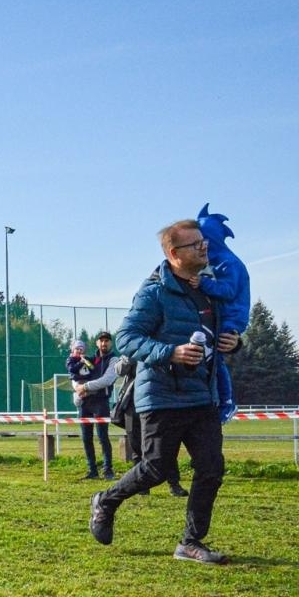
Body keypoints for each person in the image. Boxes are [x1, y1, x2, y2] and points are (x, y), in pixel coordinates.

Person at [87, 218, 240, 564]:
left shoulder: (210, 290)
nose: (205, 247)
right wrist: (170, 352)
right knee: (155, 469)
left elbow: (213, 337)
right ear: (174, 254)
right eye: (195, 244)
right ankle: (105, 501)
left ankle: (190, 542)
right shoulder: (154, 291)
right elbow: (126, 338)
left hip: (202, 395)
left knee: (212, 469)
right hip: (161, 396)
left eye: (204, 241)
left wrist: (233, 342)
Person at [196, 204, 250, 423]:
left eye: (200, 240)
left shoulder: (229, 263)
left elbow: (227, 291)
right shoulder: (215, 262)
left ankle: (227, 402)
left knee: (216, 360)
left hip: (231, 318)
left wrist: (203, 283)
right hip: (221, 316)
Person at [107, 357, 186, 497]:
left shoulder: (161, 348)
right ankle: (142, 485)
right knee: (136, 446)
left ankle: (174, 484)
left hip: (157, 402)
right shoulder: (133, 348)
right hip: (132, 404)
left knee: (165, 445)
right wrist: (129, 356)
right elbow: (119, 370)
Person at [68, 333, 117, 480]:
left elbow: (106, 380)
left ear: (110, 343)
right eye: (101, 341)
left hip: (101, 402)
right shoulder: (88, 359)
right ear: (97, 343)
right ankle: (92, 471)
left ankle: (108, 470)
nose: (104, 343)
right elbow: (74, 375)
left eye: (107, 341)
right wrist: (77, 387)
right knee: (86, 438)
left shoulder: (114, 360)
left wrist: (85, 387)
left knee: (103, 437)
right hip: (85, 403)